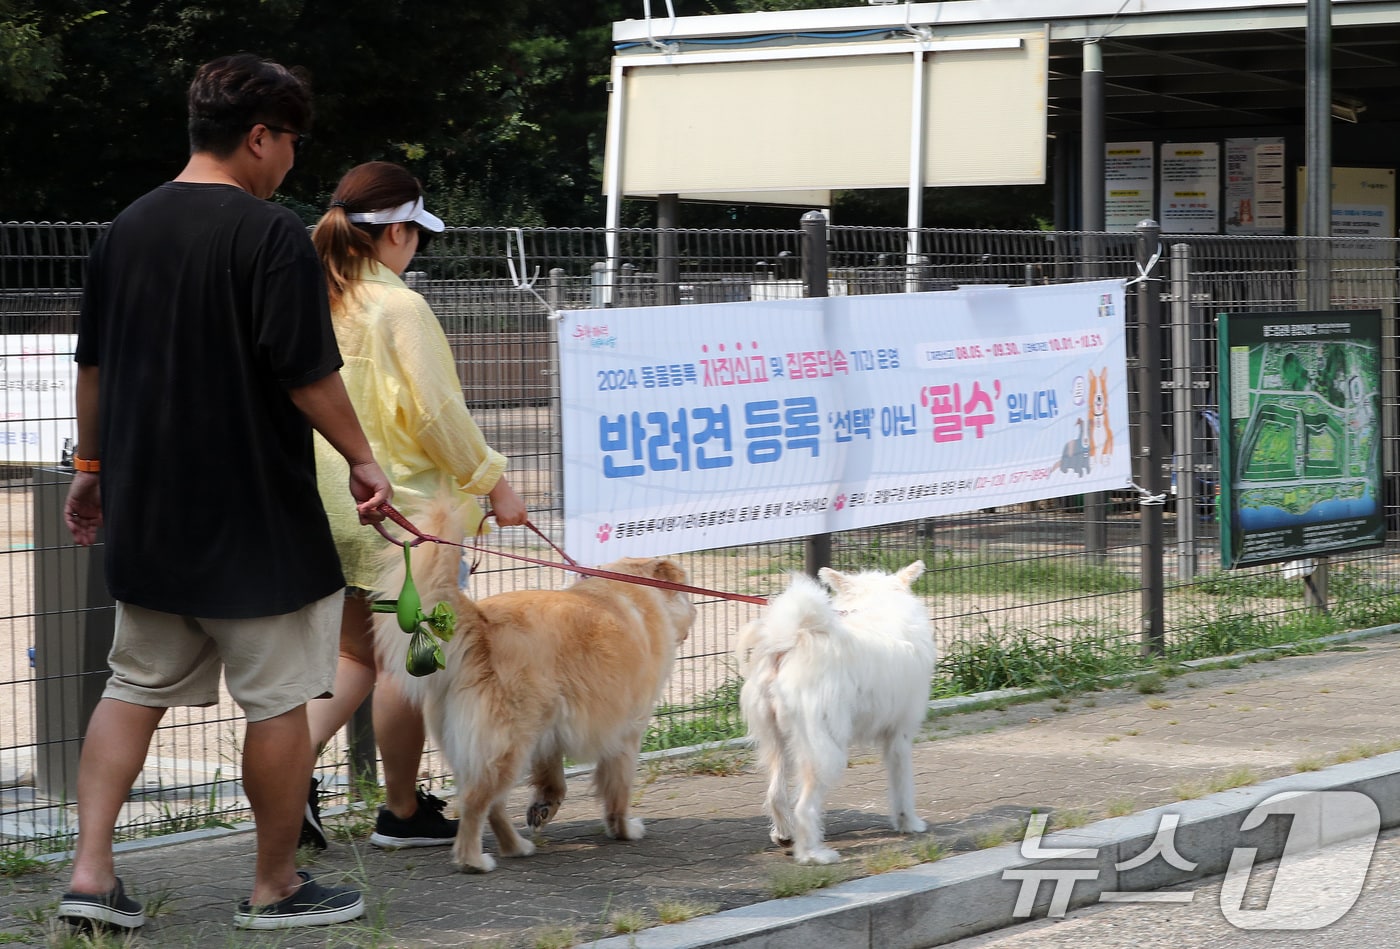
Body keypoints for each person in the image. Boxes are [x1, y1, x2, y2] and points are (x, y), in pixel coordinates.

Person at [56, 54, 392, 933]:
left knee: (132, 686)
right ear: (258, 137)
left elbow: (91, 368)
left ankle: (90, 875)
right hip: (254, 518)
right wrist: (362, 457)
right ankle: (274, 885)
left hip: (152, 512)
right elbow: (306, 372)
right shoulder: (267, 233)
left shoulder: (125, 228)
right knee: (277, 701)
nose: (291, 160)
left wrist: (91, 473)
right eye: (290, 141)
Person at [301, 161, 527, 851]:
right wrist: (493, 479)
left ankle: (286, 779)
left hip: (336, 502)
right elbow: (436, 413)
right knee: (410, 661)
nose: (417, 246)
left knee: (351, 658)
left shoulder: (321, 295)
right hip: (411, 516)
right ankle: (400, 810)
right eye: (416, 234)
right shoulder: (400, 306)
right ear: (396, 231)